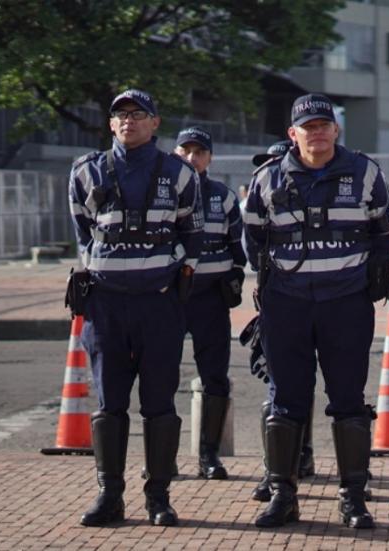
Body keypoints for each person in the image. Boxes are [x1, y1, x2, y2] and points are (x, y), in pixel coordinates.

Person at [243, 93, 389, 529]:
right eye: (306, 126)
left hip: (345, 304)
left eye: (323, 124)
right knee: (286, 400)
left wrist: (361, 276)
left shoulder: (364, 172)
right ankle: (282, 497)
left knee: (348, 401)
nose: (316, 132)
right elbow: (252, 236)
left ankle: (353, 498)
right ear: (292, 134)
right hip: (287, 305)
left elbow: (384, 230)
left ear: (335, 130)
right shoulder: (268, 178)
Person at [70, 89, 202, 527]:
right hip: (106, 305)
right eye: (120, 115)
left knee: (159, 403)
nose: (129, 121)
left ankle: (158, 497)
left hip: (159, 306)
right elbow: (83, 233)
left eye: (138, 114)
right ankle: (109, 496)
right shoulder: (86, 172)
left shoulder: (180, 173)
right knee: (109, 405)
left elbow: (192, 234)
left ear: (155, 122)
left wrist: (166, 275)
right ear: (111, 124)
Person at [245, 139, 318, 505]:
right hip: (278, 300)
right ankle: (275, 471)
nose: (272, 168)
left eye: (277, 160)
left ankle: (303, 457)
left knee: (316, 390)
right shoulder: (262, 194)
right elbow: (252, 245)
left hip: (321, 299)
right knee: (277, 392)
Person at [172, 127, 246, 481]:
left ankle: (209, 456)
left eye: (199, 151)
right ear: (175, 153)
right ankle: (162, 458)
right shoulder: (162, 194)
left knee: (215, 377)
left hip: (210, 299)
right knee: (160, 377)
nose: (191, 157)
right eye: (185, 150)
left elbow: (238, 251)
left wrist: (233, 279)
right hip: (169, 299)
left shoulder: (224, 197)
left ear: (210, 157)